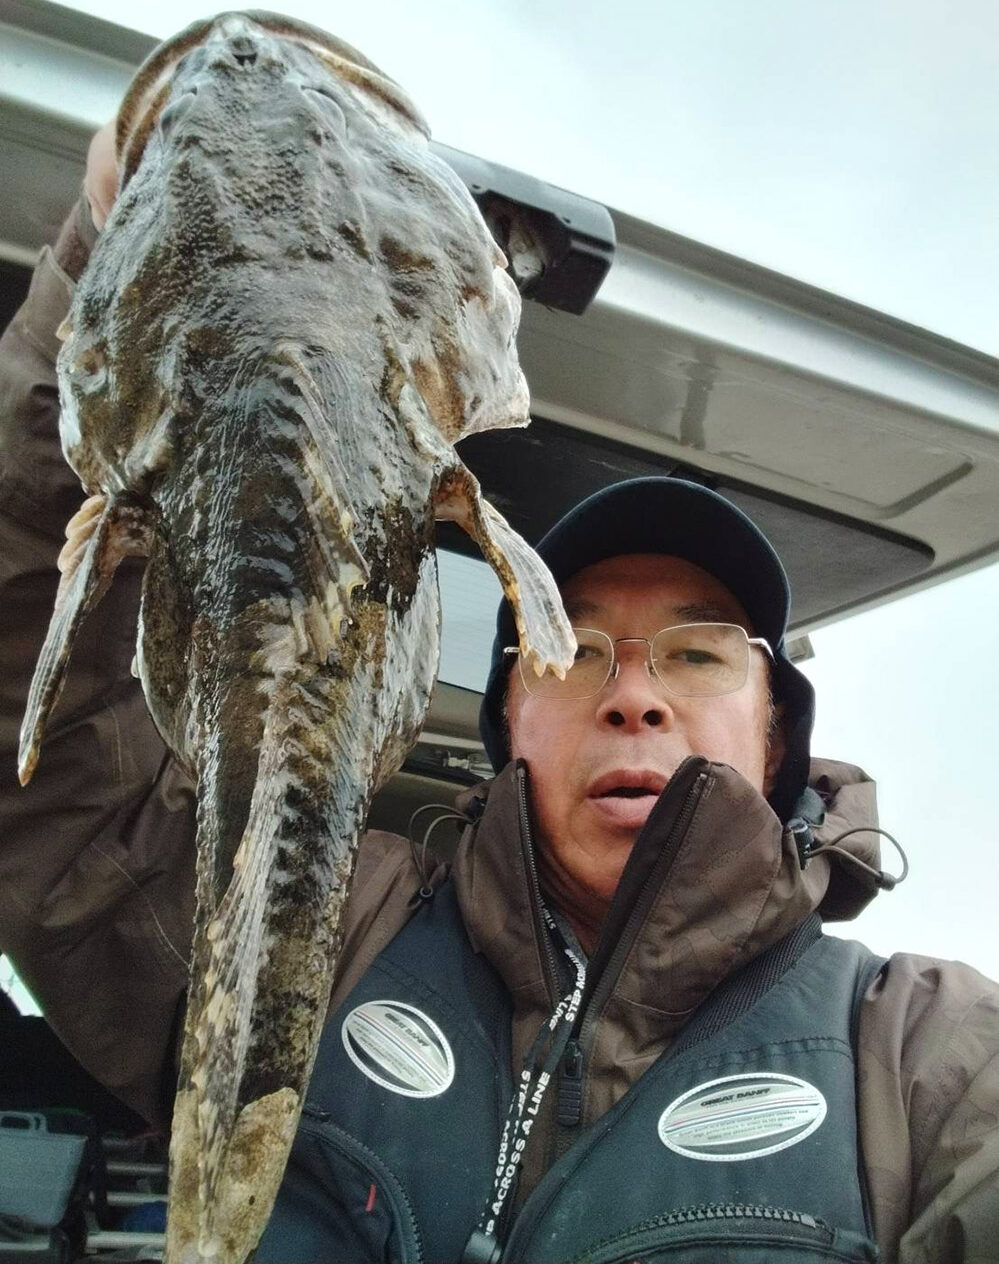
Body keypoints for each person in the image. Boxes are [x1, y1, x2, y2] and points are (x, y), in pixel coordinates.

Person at [1, 154, 997, 1264]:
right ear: (508, 722)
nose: (632, 696)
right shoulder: (326, 926)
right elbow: (43, 764)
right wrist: (112, 251)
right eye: (571, 651)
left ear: (776, 728)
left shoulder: (925, 1059)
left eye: (699, 650)